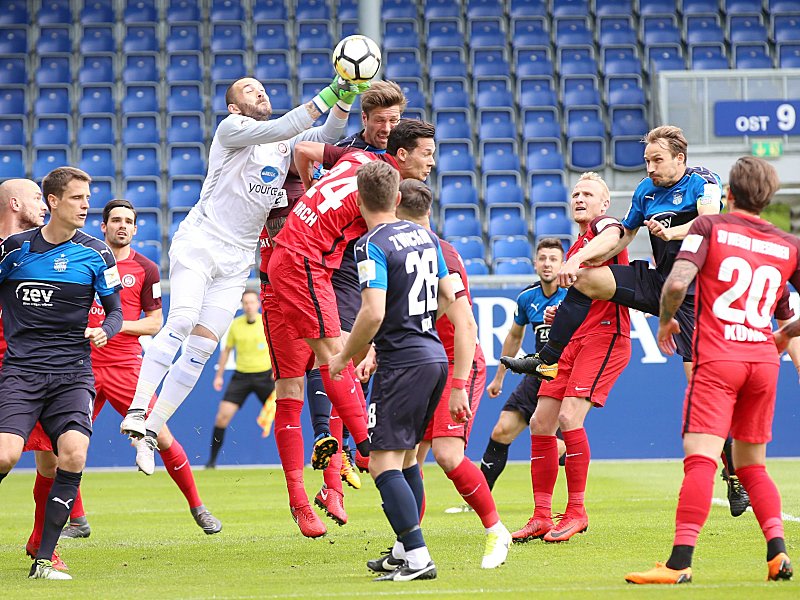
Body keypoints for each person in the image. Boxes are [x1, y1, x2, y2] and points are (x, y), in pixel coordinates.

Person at [120, 75, 368, 472]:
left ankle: (151, 427)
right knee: (182, 319)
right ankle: (136, 409)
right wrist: (330, 90)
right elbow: (287, 125)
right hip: (202, 240)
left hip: (237, 258)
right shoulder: (232, 129)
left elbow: (327, 134)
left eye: (263, 87)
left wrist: (347, 96)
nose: (261, 91)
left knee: (202, 347)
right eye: (249, 90)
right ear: (235, 107)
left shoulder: (282, 147)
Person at [501, 127, 753, 514]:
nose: (650, 168)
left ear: (679, 159)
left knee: (701, 390)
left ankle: (734, 475)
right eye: (647, 161)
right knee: (588, 279)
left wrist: (671, 232)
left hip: (696, 294)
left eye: (657, 160)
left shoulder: (704, 181)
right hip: (659, 282)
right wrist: (583, 259)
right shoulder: (644, 192)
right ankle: (546, 357)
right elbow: (622, 237)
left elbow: (707, 225)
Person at [626, 157, 797, 584]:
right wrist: (780, 337)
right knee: (753, 464)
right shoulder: (787, 245)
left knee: (701, 459)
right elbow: (783, 311)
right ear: (767, 198)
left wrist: (666, 319)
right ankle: (777, 554)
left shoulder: (709, 227)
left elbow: (678, 282)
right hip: (762, 363)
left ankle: (679, 563)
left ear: (729, 195)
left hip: (718, 359)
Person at [263, 120, 436, 537]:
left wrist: (311, 195)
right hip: (302, 264)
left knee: (326, 365)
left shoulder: (358, 159)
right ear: (401, 155)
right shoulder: (379, 205)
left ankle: (325, 486)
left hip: (296, 262)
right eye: (426, 152)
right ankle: (365, 449)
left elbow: (306, 153)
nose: (431, 160)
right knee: (333, 361)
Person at [23, 199, 220, 543]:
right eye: (115, 220)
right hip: (79, 365)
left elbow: (155, 322)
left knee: (160, 435)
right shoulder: (80, 259)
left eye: (128, 221)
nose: (122, 226)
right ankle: (78, 520)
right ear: (103, 226)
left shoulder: (146, 269)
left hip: (125, 367)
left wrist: (112, 326)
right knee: (62, 445)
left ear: (135, 228)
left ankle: (197, 506)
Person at [328, 161, 454, 581]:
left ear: (358, 201)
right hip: (433, 354)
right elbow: (446, 294)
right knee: (404, 460)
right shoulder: (426, 235)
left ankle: (418, 558)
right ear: (398, 198)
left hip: (402, 362)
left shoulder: (370, 244)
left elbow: (373, 311)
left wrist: (345, 355)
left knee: (381, 465)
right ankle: (403, 551)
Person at [374, 179, 510, 569]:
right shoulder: (425, 244)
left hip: (454, 362)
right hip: (427, 361)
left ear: (397, 207)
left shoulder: (439, 253)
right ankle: (406, 548)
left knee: (448, 455)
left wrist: (459, 385)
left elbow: (466, 325)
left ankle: (495, 530)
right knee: (406, 458)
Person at [0, 167, 123, 580]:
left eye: (88, 197)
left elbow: (117, 311)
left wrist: (103, 330)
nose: (86, 205)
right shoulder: (15, 250)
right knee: (5, 455)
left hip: (72, 374)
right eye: (76, 198)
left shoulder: (97, 253)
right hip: (21, 372)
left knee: (71, 453)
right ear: (53, 202)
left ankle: (44, 559)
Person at [507, 172, 631, 544]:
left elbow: (617, 233)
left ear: (603, 203)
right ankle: (542, 516)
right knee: (540, 423)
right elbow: (582, 296)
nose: (579, 198)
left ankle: (576, 510)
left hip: (606, 335)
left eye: (588, 193)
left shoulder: (605, 229)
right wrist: (557, 314)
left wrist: (579, 261)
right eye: (576, 193)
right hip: (574, 341)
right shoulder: (578, 242)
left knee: (567, 416)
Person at [480, 238, 567, 491]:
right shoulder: (527, 298)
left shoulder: (574, 297)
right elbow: (514, 337)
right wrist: (499, 377)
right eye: (543, 259)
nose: (547, 264)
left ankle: (572, 500)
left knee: (557, 445)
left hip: (562, 379)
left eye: (553, 259)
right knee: (501, 431)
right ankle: (479, 500)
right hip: (536, 374)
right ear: (535, 264)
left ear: (563, 265)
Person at [207, 290, 275, 468]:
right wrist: (219, 376)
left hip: (266, 376)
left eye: (252, 302)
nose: (249, 306)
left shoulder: (266, 322)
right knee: (222, 417)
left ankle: (304, 458)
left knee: (286, 416)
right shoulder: (236, 325)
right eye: (245, 303)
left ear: (258, 304)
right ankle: (211, 462)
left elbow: (278, 347)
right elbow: (226, 351)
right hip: (241, 377)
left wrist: (277, 370)